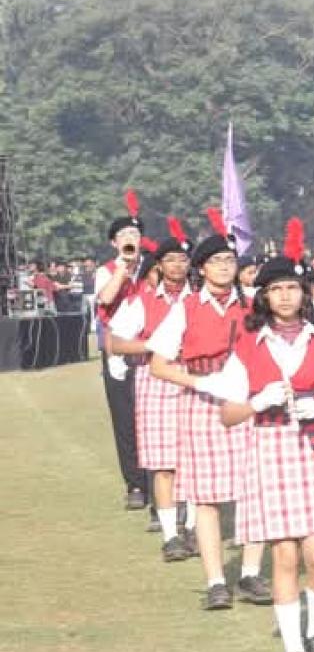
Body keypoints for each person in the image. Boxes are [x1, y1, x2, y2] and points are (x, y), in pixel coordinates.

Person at [206, 247, 314, 652]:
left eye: (292, 288)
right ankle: (294, 650)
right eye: (275, 289)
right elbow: (228, 414)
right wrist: (257, 402)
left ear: (304, 293)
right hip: (272, 447)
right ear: (263, 296)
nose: (284, 296)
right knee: (283, 555)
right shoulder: (248, 346)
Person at [144, 228, 271, 608]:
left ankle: (250, 573)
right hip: (201, 401)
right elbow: (158, 364)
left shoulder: (253, 303)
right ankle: (216, 581)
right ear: (201, 268)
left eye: (230, 260)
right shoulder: (186, 308)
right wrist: (200, 381)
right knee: (206, 497)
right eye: (216, 261)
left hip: (248, 400)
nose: (225, 267)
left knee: (255, 489)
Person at [107, 229, 196, 559]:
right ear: (159, 265)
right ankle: (171, 535)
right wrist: (155, 345)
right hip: (155, 379)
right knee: (163, 464)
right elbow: (116, 342)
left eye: (183, 259)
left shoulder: (199, 298)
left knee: (196, 459)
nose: (177, 265)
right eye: (170, 260)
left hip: (194, 379)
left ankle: (194, 528)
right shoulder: (143, 300)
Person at [95, 213, 149, 512]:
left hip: (150, 349)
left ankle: (156, 479)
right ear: (114, 243)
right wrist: (123, 268)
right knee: (125, 419)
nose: (131, 239)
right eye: (125, 235)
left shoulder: (152, 268)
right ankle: (135, 484)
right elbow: (106, 299)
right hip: (118, 351)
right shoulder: (106, 271)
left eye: (135, 234)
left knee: (151, 417)